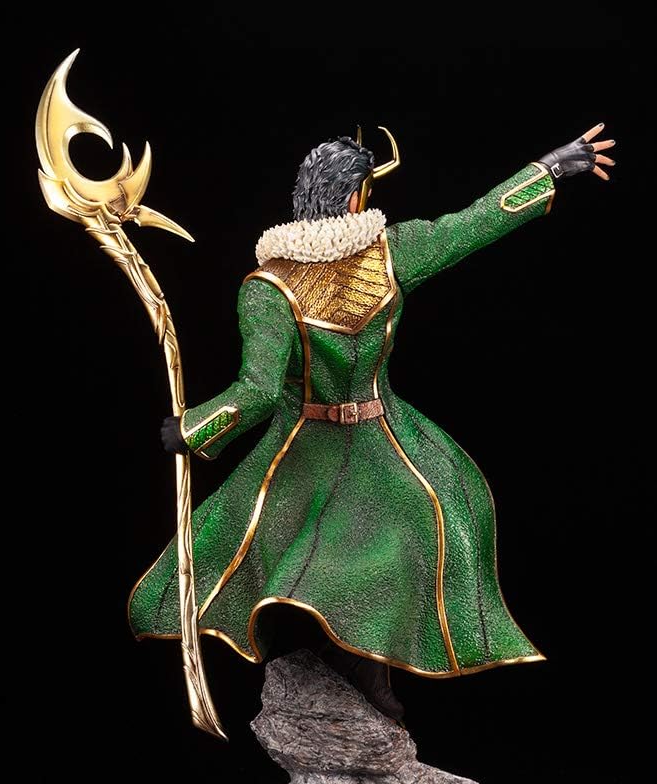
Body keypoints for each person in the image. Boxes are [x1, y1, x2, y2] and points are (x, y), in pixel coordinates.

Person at [128, 123, 616, 725]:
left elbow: (474, 223)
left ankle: (369, 667)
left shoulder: (365, 259)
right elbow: (260, 393)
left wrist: (194, 428)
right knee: (284, 548)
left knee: (427, 520)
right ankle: (327, 665)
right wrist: (196, 430)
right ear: (354, 194)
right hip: (304, 447)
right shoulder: (281, 283)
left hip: (385, 438)